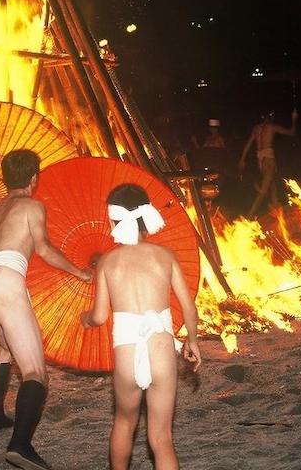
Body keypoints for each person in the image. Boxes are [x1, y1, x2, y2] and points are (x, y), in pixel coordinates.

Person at [0, 149, 91, 470]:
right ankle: (21, 446)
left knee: (6, 347)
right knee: (36, 372)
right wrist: (79, 272)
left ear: (5, 179)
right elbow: (45, 249)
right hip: (5, 284)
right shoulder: (32, 206)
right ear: (34, 178)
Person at [80, 183, 201, 470]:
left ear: (113, 221)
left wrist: (86, 318)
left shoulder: (108, 262)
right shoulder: (165, 256)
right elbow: (189, 307)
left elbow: (99, 317)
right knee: (162, 438)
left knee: (124, 422)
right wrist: (193, 340)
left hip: (127, 352)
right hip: (161, 350)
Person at [238, 109, 298, 218]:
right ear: (271, 117)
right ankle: (250, 215)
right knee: (263, 191)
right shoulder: (272, 127)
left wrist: (242, 159)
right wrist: (294, 119)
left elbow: (248, 144)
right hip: (269, 160)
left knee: (272, 182)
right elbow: (292, 132)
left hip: (260, 160)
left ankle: (275, 204)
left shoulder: (256, 128)